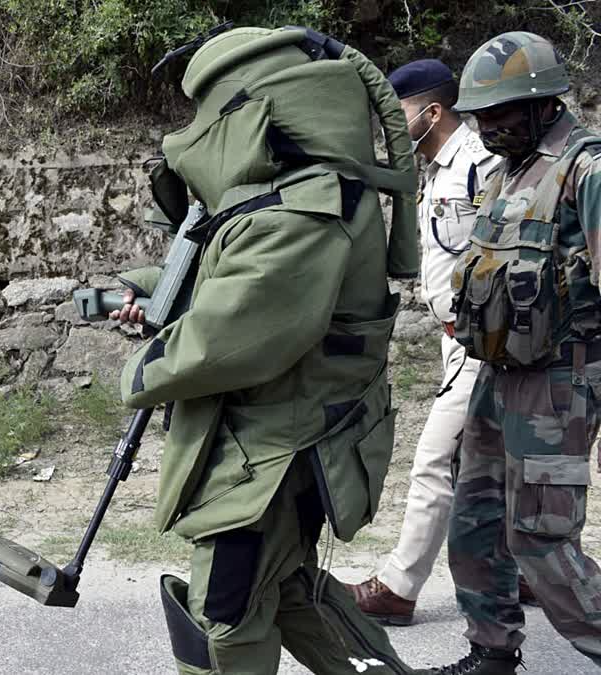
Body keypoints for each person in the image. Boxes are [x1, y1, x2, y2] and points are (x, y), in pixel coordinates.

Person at [111, 25, 420, 674]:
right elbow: (234, 284)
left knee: (224, 619)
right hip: (288, 446)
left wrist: (143, 367)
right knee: (284, 590)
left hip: (270, 455)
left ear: (250, 104)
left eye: (207, 108)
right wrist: (153, 294)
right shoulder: (301, 194)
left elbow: (234, 336)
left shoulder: (301, 208)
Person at [418, 31, 601, 675]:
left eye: (500, 114)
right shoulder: (503, 173)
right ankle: (492, 651)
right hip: (497, 377)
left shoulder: (587, 170)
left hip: (561, 380)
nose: (487, 127)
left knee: (541, 539)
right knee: (475, 520)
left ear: (543, 104)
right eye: (480, 116)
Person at [347, 59, 511, 626]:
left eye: (401, 115)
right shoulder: (437, 169)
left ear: (433, 112)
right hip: (454, 341)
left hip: (483, 345)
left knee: (434, 462)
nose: (394, 127)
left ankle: (398, 586)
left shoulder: (481, 164)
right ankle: (524, 574)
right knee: (493, 466)